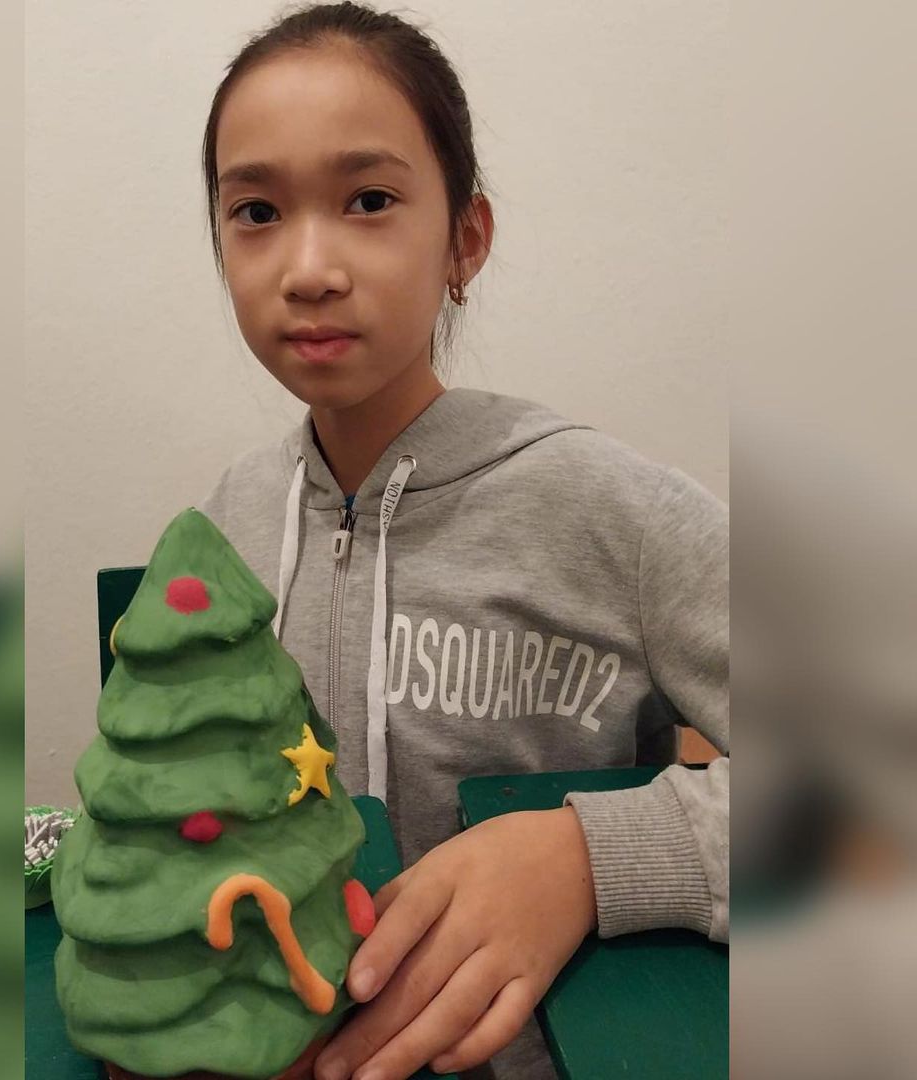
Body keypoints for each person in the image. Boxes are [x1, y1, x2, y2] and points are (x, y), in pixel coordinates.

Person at [197, 4, 728, 1078]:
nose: (309, 267)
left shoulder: (604, 508)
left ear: (464, 240)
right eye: (256, 211)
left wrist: (588, 857)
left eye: (369, 200)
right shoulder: (229, 521)